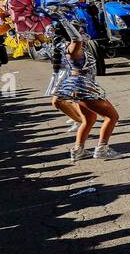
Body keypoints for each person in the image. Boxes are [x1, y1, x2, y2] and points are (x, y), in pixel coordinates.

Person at [49, 20, 121, 161]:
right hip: (84, 88)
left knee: (89, 119)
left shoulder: (68, 46)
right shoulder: (73, 47)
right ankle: (102, 149)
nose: (82, 32)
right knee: (112, 117)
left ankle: (78, 150)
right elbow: (76, 38)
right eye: (79, 30)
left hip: (81, 88)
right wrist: (63, 17)